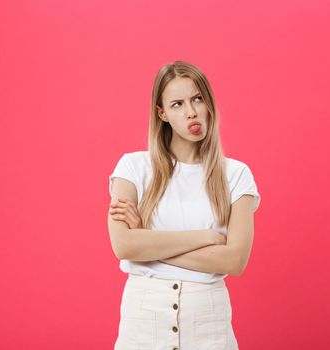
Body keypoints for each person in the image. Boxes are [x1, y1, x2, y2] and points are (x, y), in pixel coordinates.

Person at [107, 60, 260, 350]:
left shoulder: (236, 175)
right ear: (162, 113)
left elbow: (234, 261)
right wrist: (205, 237)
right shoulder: (132, 167)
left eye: (197, 98)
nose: (191, 111)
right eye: (177, 104)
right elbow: (124, 246)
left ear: (208, 103)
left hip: (209, 328)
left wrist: (148, 244)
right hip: (142, 327)